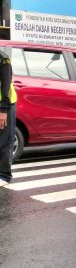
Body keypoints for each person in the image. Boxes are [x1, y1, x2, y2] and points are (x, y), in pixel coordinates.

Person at [0, 51, 17, 187]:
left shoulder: (3, 58)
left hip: (5, 105)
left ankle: (4, 175)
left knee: (5, 140)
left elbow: (5, 85)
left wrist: (3, 110)